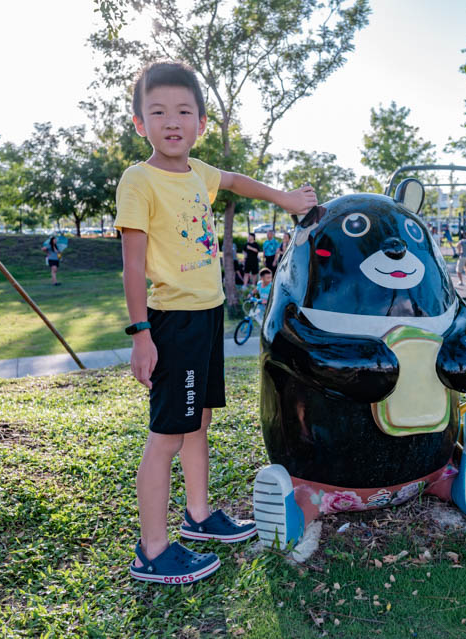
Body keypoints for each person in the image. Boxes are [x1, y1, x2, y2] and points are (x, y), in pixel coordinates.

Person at [114, 61, 316, 585]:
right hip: (172, 323)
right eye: (158, 112)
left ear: (201, 123)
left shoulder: (199, 173)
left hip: (206, 319)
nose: (172, 121)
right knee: (167, 435)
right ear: (140, 123)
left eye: (184, 111)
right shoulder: (139, 180)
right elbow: (132, 263)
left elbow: (238, 181)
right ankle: (153, 550)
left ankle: (199, 517)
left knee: (199, 421)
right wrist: (141, 335)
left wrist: (285, 199)